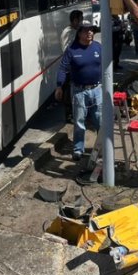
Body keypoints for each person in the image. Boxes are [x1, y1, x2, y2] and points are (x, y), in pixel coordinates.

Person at [54, 23, 102, 170]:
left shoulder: (98, 47)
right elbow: (63, 68)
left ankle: (102, 147)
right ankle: (78, 149)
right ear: (79, 33)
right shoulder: (72, 50)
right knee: (80, 121)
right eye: (86, 31)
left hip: (97, 89)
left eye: (91, 31)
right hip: (79, 91)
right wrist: (59, 86)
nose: (90, 33)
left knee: (100, 120)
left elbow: (107, 64)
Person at [59, 10, 84, 123]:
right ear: (75, 20)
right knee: (68, 93)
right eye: (80, 19)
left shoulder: (75, 30)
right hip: (70, 68)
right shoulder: (68, 32)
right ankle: (69, 116)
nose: (81, 22)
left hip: (76, 67)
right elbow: (66, 50)